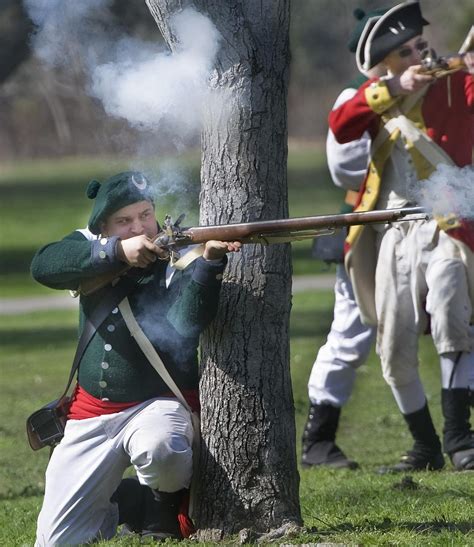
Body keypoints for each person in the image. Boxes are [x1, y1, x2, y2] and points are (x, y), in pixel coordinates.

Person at [30, 171, 241, 545]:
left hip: (156, 404)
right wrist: (115, 252)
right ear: (103, 226)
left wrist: (208, 264)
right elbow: (44, 265)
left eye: (145, 214)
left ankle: (156, 505)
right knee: (55, 540)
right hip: (91, 410)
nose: (139, 226)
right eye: (124, 221)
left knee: (163, 451)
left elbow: (186, 323)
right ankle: (122, 500)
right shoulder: (90, 248)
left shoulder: (178, 254)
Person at [329, 1, 474, 472]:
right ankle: (425, 445)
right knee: (393, 346)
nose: (420, 53)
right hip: (392, 230)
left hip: (446, 221)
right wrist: (395, 87)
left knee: (454, 315)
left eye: (420, 45)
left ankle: (459, 437)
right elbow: (341, 125)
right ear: (387, 64)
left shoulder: (456, 80)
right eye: (407, 51)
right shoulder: (375, 96)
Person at [302, 8, 390, 470]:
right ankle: (319, 441)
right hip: (367, 227)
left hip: (421, 227)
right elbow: (348, 169)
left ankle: (446, 436)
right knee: (351, 334)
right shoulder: (352, 99)